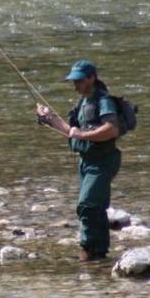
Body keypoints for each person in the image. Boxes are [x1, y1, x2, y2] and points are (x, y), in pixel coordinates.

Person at [36, 60, 122, 262]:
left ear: (92, 78)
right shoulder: (83, 102)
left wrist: (82, 135)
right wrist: (50, 119)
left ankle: (87, 250)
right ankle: (99, 253)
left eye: (79, 80)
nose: (75, 85)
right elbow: (71, 132)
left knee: (87, 205)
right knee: (95, 207)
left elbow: (112, 129)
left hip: (102, 160)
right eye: (73, 81)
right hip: (86, 161)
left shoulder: (103, 100)